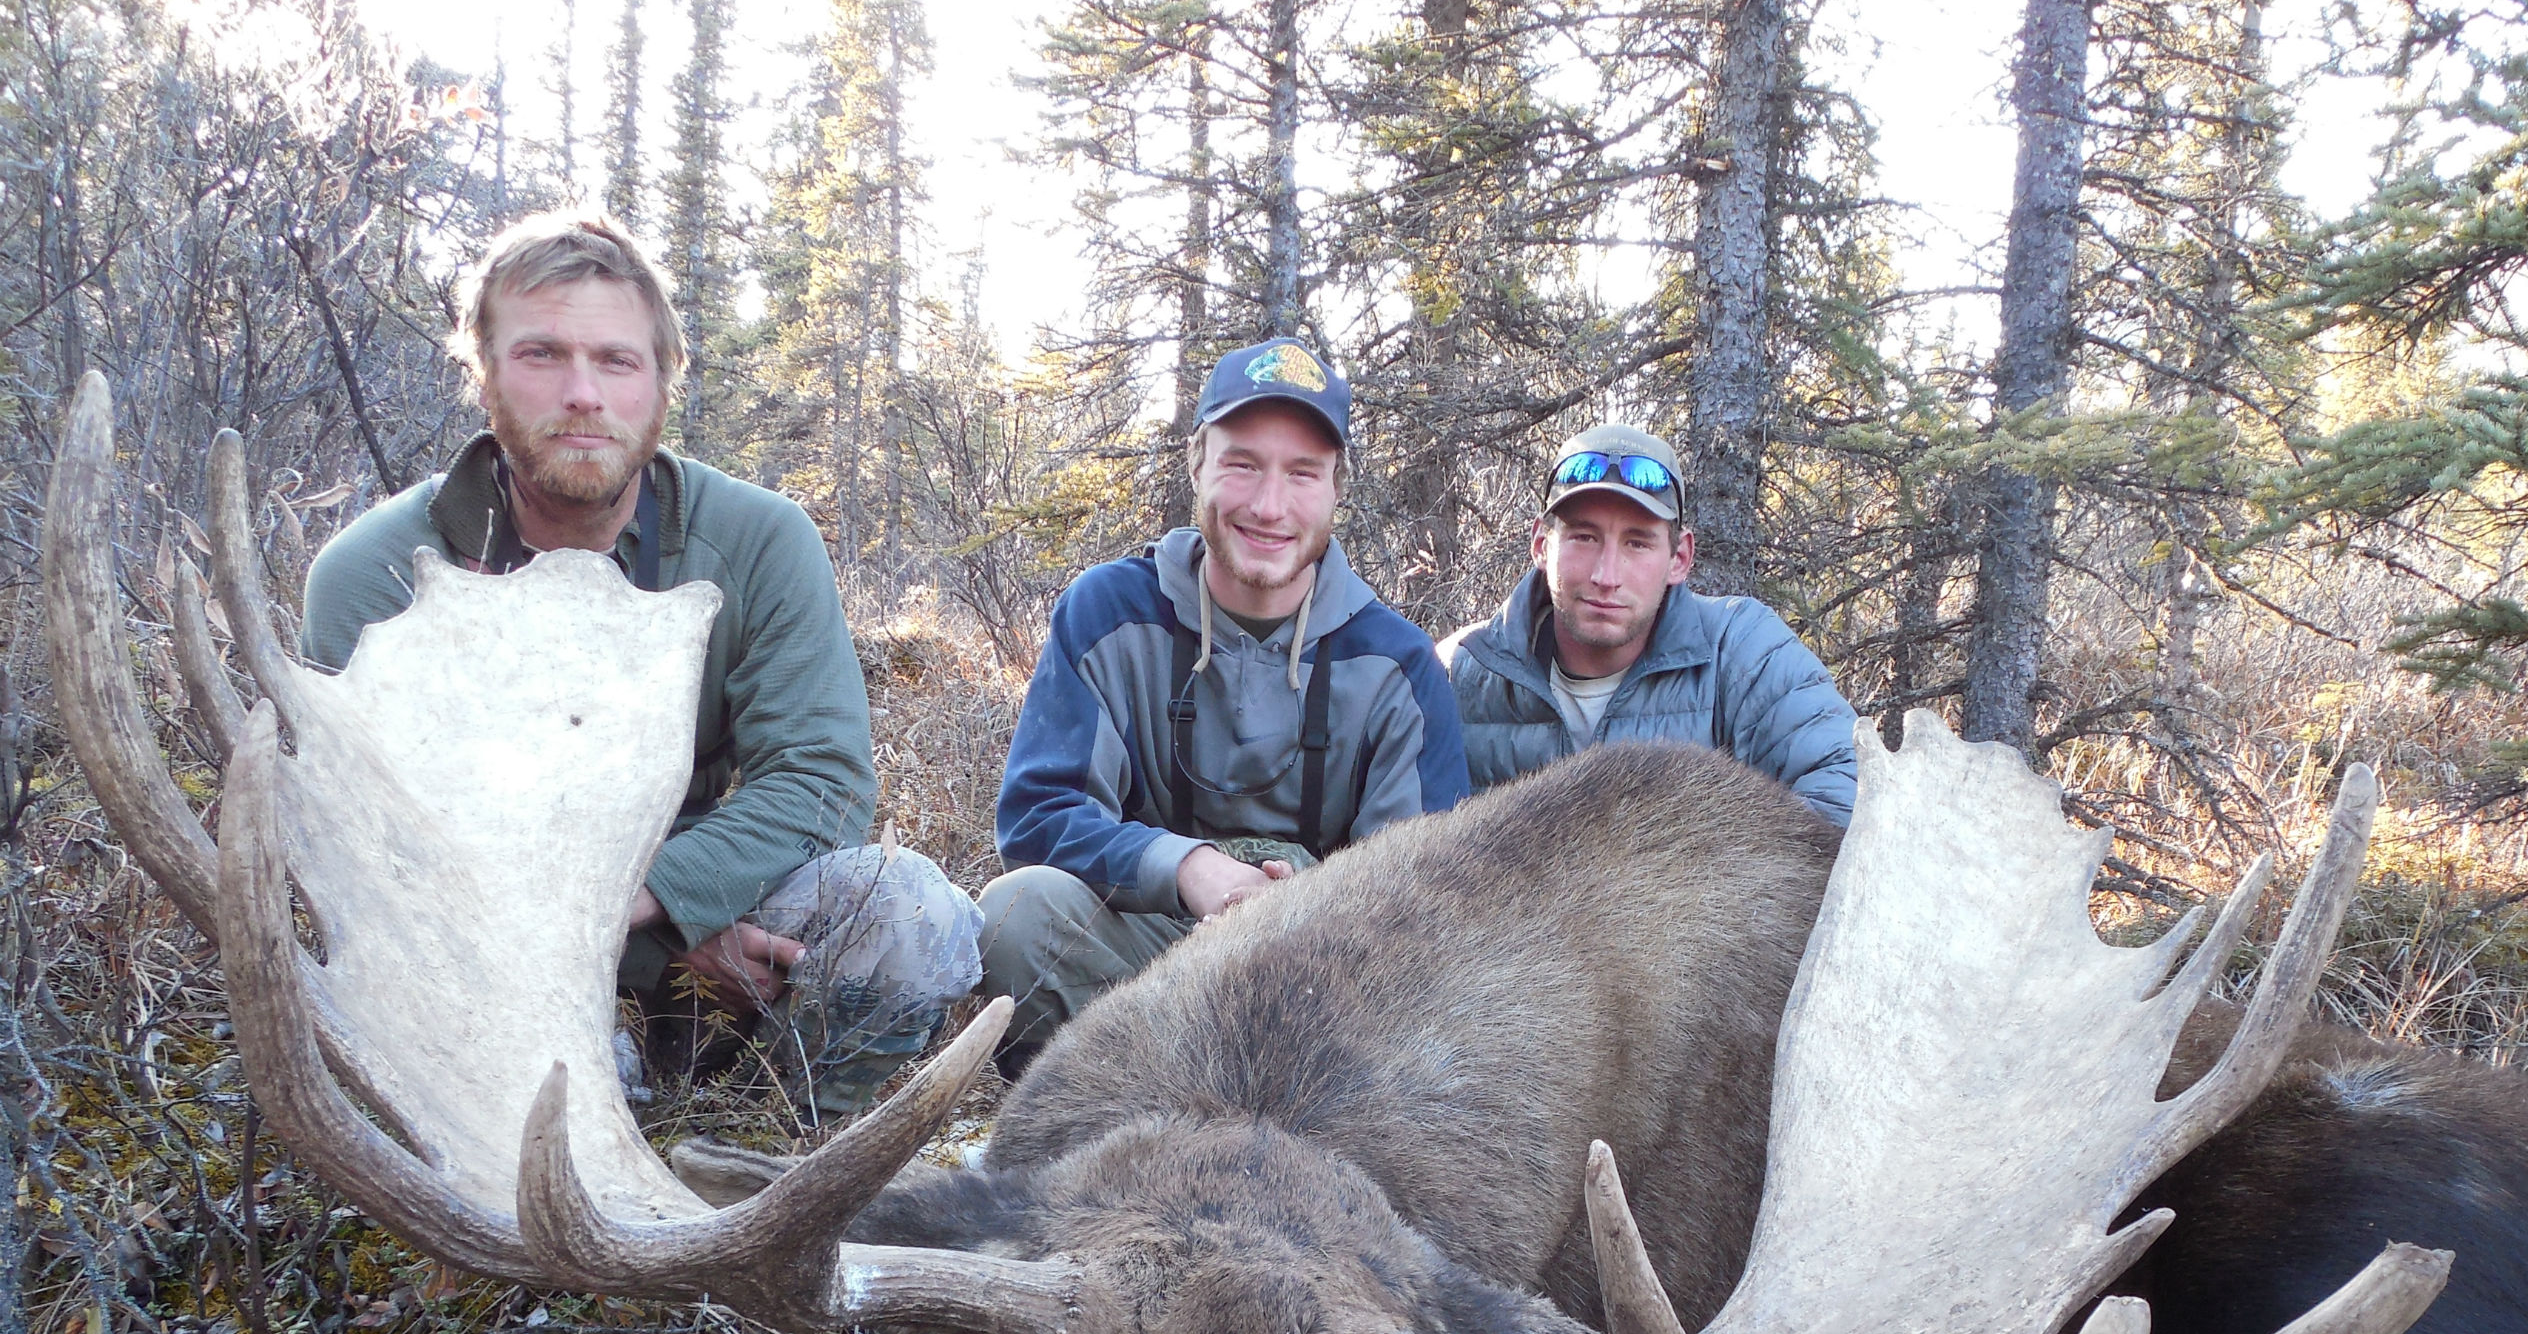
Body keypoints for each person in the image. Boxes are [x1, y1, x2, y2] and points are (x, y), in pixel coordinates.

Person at [301, 211, 982, 1121]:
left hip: (725, 932)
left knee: (907, 919)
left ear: (663, 383)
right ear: (486, 376)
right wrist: (646, 951)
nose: (583, 393)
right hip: (493, 955)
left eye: (617, 362)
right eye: (542, 355)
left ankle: (769, 1148)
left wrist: (670, 899)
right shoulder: (375, 577)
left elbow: (820, 781)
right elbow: (383, 861)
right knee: (540, 1106)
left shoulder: (758, 540)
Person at [979, 336, 1468, 1063]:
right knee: (1014, 915)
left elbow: (1431, 900)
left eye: (1304, 473)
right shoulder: (1107, 612)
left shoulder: (1398, 665)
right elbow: (1038, 816)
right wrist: (1193, 872)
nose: (1270, 506)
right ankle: (1086, 1130)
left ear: (1336, 488)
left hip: (1323, 992)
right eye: (1242, 464)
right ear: (1197, 463)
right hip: (1145, 957)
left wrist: (1292, 916)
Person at [1446, 423, 1857, 823]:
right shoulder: (1467, 675)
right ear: (1541, 545)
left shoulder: (1744, 652)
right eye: (1584, 538)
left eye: (1637, 543)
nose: (1606, 576)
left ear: (1679, 558)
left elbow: (1847, 798)